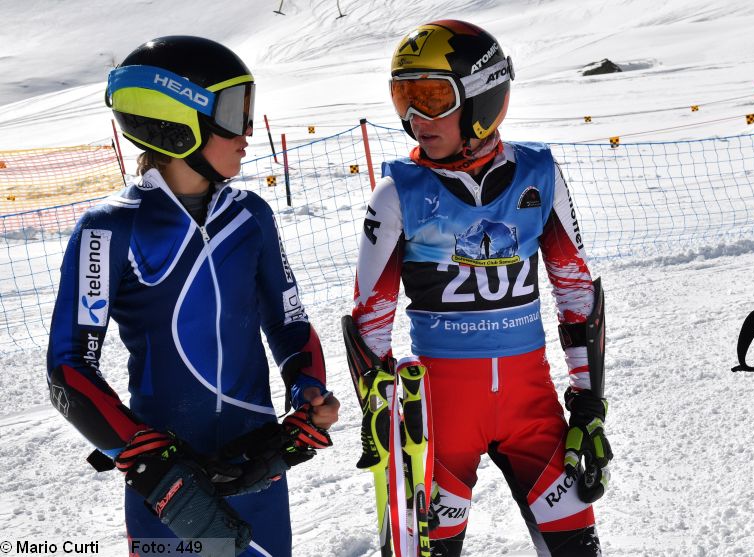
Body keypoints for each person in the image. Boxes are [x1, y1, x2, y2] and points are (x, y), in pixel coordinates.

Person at [46, 35, 339, 557]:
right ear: (177, 122)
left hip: (258, 471)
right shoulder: (110, 228)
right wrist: (142, 456)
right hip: (171, 493)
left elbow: (289, 324)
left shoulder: (250, 216)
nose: (247, 133)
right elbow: (68, 367)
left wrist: (309, 393)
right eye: (232, 113)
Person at [351, 20, 612, 556]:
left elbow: (574, 290)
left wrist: (588, 406)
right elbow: (371, 319)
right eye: (403, 97)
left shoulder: (539, 175)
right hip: (440, 422)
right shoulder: (397, 192)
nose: (415, 118)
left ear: (481, 97)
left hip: (532, 413)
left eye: (431, 98)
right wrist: (382, 411)